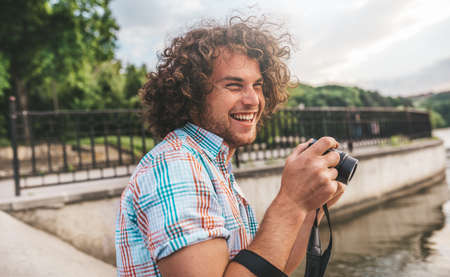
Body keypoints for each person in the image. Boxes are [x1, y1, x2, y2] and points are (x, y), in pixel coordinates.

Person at [115, 16, 345, 276]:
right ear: (192, 95)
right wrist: (290, 201)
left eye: (257, 85)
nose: (253, 100)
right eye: (234, 86)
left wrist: (309, 207)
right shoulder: (177, 166)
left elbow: (269, 268)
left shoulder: (209, 163)